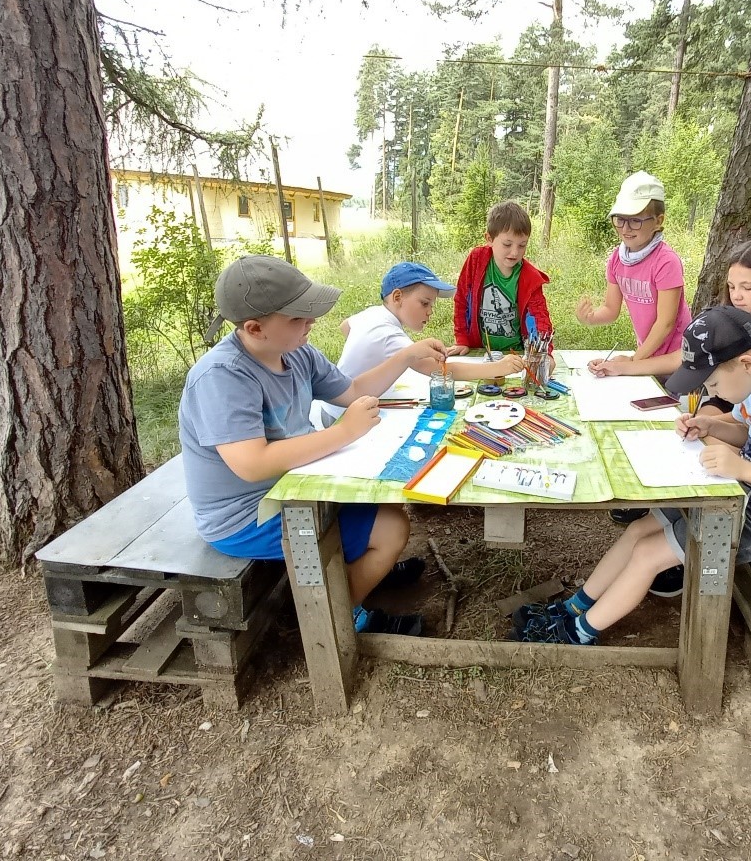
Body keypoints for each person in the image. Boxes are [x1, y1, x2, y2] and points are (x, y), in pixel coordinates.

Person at [511, 305, 751, 646]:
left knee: (650, 553)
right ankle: (574, 607)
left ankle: (578, 632)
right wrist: (711, 424)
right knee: (639, 529)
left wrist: (745, 469)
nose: (713, 393)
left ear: (747, 363)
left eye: (713, 383)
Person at [179, 255, 447, 637]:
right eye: (298, 318)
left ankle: (360, 573)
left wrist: (405, 356)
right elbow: (251, 465)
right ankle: (337, 616)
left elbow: (353, 390)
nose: (312, 322)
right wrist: (343, 433)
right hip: (245, 515)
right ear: (255, 328)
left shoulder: (296, 352)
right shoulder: (222, 377)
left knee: (387, 497)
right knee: (392, 528)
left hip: (299, 484)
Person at [648, 236, 751, 596]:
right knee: (694, 433)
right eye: (731, 286)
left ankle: (686, 547)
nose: (737, 295)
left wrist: (722, 426)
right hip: (732, 399)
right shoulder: (724, 317)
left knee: (711, 442)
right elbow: (705, 378)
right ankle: (674, 524)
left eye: (748, 286)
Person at [318, 261, 525, 424]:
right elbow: (443, 370)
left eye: (431, 305)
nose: (430, 311)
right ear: (397, 296)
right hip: (345, 415)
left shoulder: (373, 314)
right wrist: (498, 368)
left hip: (333, 405)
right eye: (424, 303)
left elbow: (345, 326)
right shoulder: (388, 334)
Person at [575, 171, 691, 380]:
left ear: (658, 221)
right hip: (646, 354)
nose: (626, 229)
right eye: (620, 220)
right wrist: (591, 318)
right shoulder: (617, 260)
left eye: (635, 221)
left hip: (677, 358)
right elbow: (611, 309)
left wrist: (634, 361)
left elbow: (666, 323)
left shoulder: (666, 261)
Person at [449, 200, 553, 356]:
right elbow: (462, 300)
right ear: (489, 239)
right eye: (507, 244)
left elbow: (539, 317)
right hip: (480, 351)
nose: (515, 252)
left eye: (522, 245)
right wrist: (462, 339)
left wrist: (543, 353)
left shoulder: (530, 276)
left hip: (516, 353)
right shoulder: (476, 260)